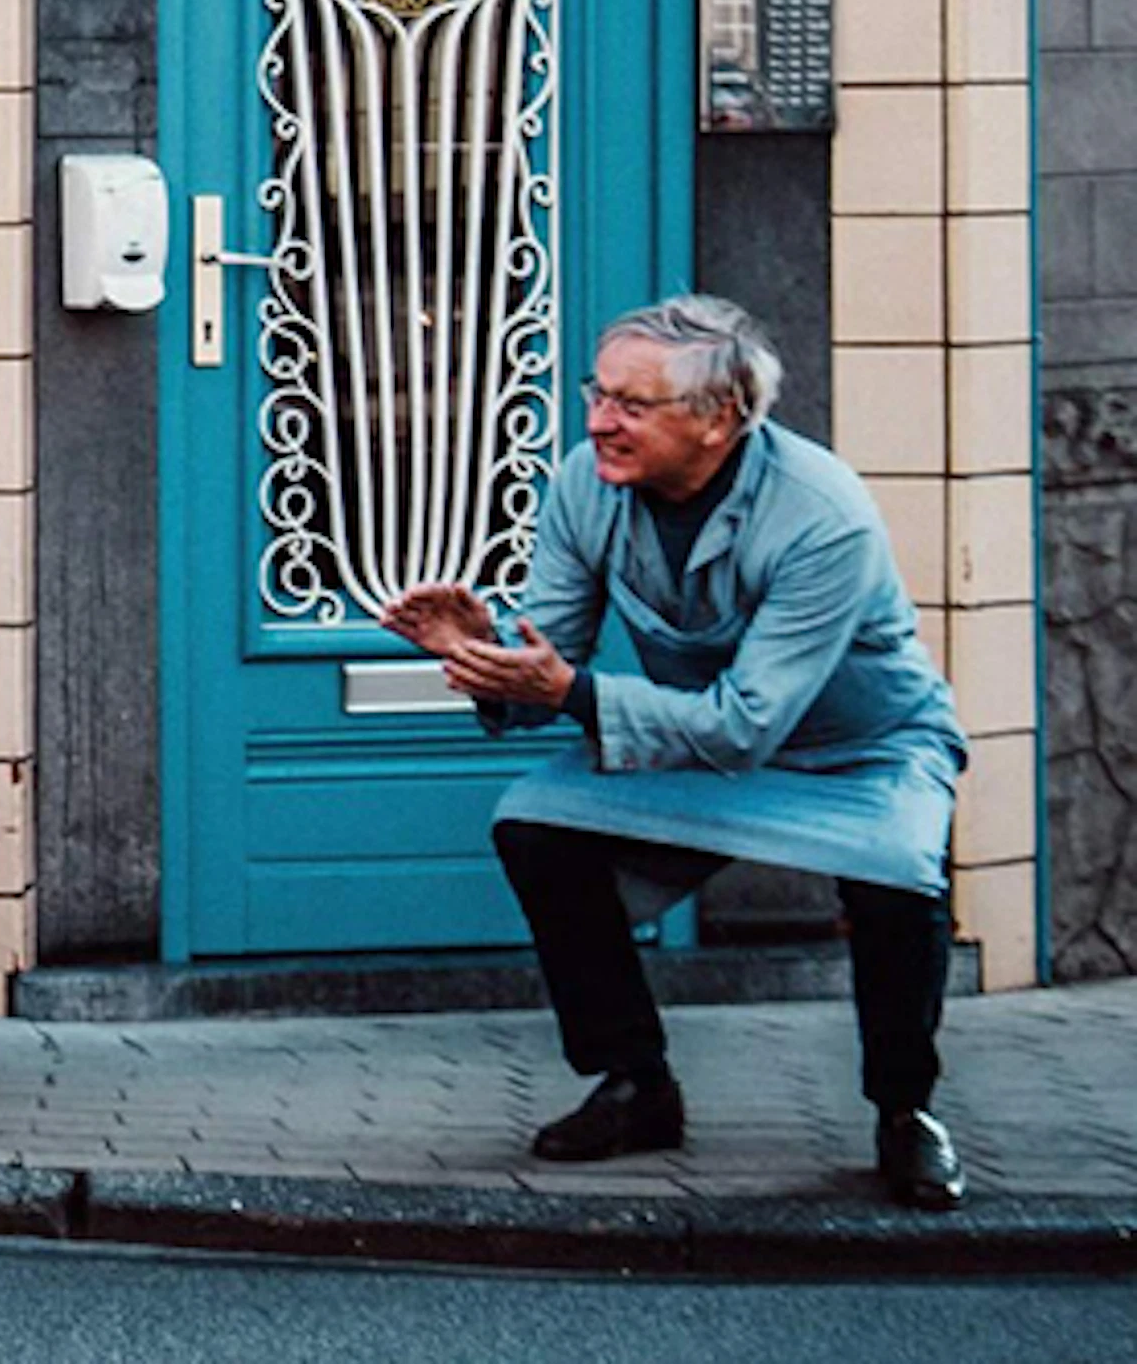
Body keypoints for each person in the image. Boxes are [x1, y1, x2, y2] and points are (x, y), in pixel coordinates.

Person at [381, 293, 973, 1213]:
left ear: (719, 418)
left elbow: (746, 722)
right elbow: (552, 663)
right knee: (535, 823)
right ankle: (635, 1083)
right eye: (597, 392)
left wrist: (569, 691)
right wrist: (484, 657)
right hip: (695, 737)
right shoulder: (586, 484)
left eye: (631, 403)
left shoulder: (824, 514)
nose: (598, 420)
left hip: (862, 750)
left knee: (898, 871)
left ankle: (906, 1112)